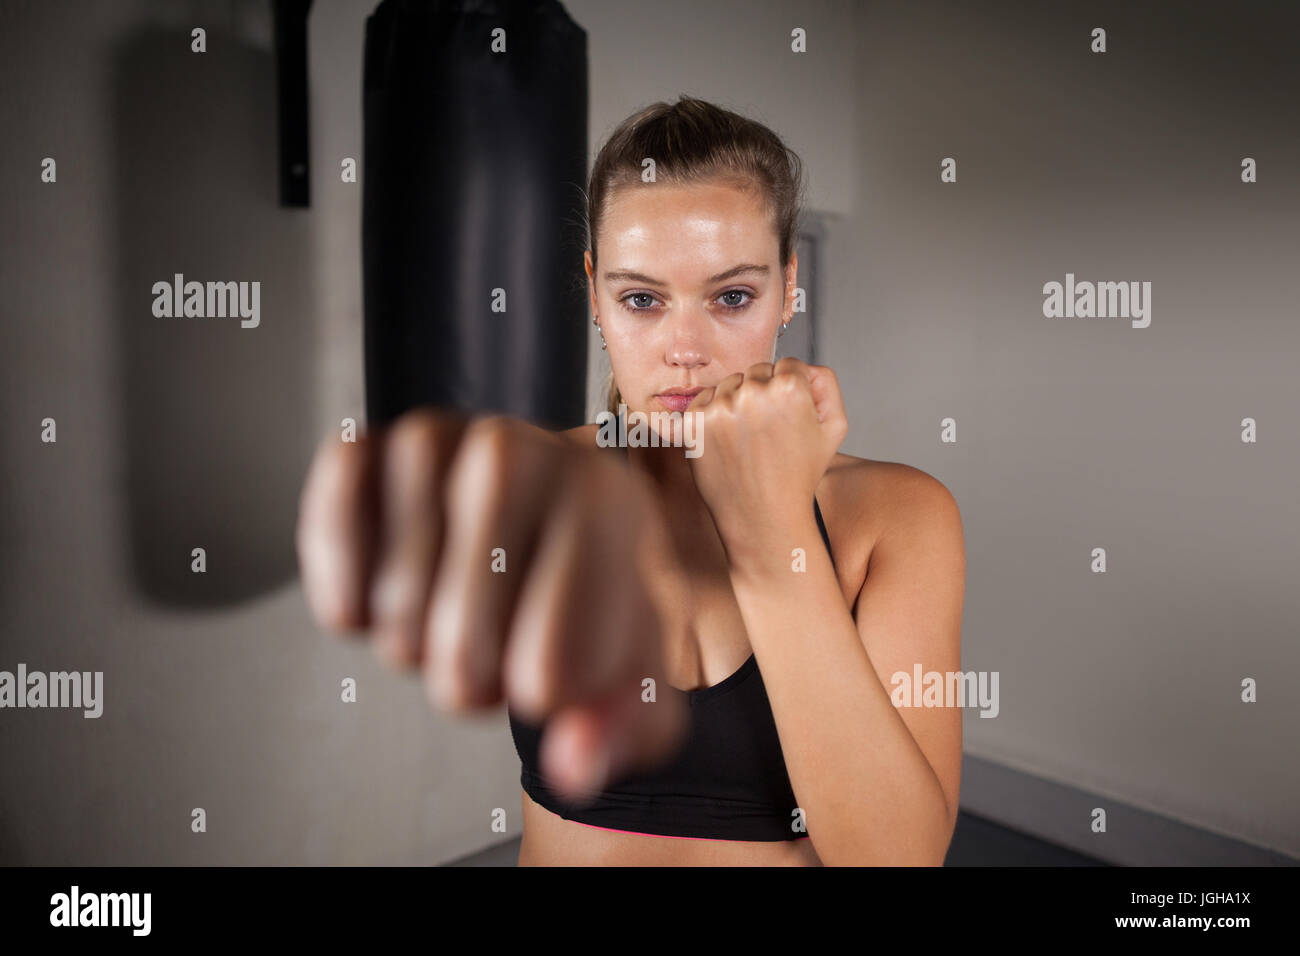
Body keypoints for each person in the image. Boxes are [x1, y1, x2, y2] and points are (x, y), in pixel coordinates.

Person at [296, 96, 965, 866]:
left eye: (732, 296)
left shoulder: (899, 518)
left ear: (788, 287)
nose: (684, 347)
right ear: (593, 294)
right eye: (642, 299)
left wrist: (774, 532)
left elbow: (899, 860)